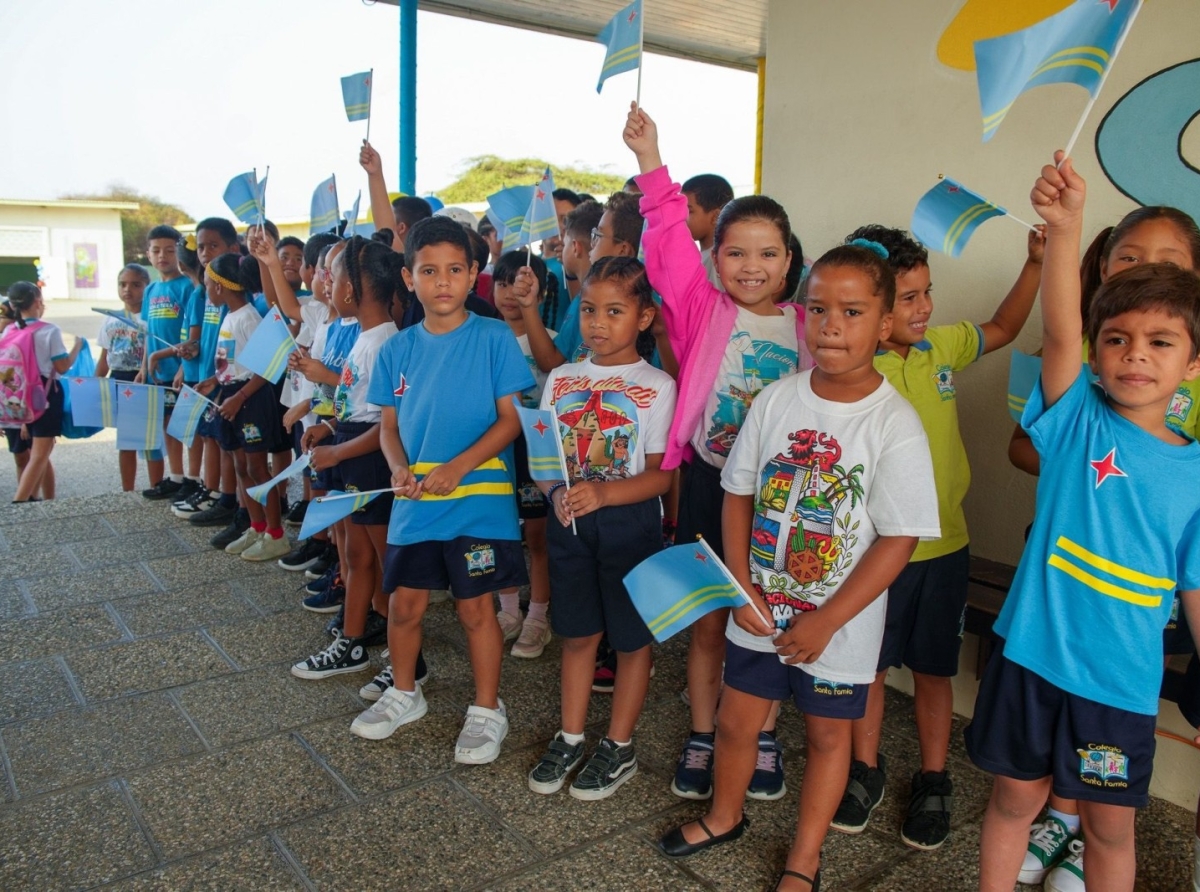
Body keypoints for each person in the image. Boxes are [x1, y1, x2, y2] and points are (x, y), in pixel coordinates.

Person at [656, 243, 939, 892]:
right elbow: (739, 492)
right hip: (758, 610)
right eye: (818, 309)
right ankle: (724, 815)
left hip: (838, 629)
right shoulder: (778, 400)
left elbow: (899, 540)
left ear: (885, 323)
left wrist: (827, 620)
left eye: (852, 311)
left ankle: (804, 857)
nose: (831, 325)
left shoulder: (894, 423)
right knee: (735, 720)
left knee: (828, 740)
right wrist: (741, 585)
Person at [966, 152, 1200, 892]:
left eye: (1161, 343)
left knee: (1108, 829)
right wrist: (1066, 227)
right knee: (1013, 803)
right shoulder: (1074, 424)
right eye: (1119, 341)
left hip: (1119, 688)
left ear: (1192, 363)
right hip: (1031, 662)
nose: (1137, 356)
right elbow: (1061, 329)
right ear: (1096, 356)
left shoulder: (1196, 474)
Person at [828, 223, 1043, 851]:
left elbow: (1001, 328)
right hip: (874, 556)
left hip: (946, 547)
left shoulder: (937, 349)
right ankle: (864, 771)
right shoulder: (857, 374)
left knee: (932, 670)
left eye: (928, 292)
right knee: (867, 666)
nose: (925, 309)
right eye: (909, 298)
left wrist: (1034, 264)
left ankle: (933, 777)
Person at [623, 102, 813, 802]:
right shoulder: (705, 310)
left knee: (770, 617)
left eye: (768, 253)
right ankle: (706, 732)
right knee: (711, 618)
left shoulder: (806, 325)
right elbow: (667, 245)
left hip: (783, 499)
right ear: (714, 258)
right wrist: (652, 164)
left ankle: (758, 733)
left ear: (790, 261)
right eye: (735, 251)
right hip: (710, 480)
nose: (751, 266)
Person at [350, 216, 533, 767]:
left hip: (479, 498)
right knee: (405, 605)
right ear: (409, 278)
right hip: (417, 501)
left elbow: (511, 421)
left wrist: (458, 466)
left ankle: (486, 708)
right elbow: (388, 425)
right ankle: (404, 692)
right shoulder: (397, 350)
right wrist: (398, 467)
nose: (443, 281)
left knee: (476, 609)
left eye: (455, 270)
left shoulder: (495, 337)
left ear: (473, 274)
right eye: (429, 271)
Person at [525, 255, 676, 801]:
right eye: (589, 309)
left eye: (615, 311)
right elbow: (545, 460)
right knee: (578, 633)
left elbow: (661, 477)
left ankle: (619, 745)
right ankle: (569, 737)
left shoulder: (656, 385)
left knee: (632, 641)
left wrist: (606, 493)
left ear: (643, 317)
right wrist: (555, 493)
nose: (597, 322)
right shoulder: (562, 379)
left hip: (629, 525)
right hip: (568, 522)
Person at [292, 236, 401, 680]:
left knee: (387, 565)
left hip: (370, 461)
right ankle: (352, 643)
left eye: (333, 278)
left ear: (352, 290)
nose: (327, 286)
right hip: (349, 450)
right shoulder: (363, 337)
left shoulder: (386, 345)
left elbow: (388, 427)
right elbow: (358, 405)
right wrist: (329, 427)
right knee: (356, 556)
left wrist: (338, 447)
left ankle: (406, 659)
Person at [202, 253, 290, 562]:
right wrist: (214, 381)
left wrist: (239, 397)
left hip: (250, 397)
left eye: (207, 284)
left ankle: (276, 533)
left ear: (219, 287)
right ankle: (256, 525)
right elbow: (235, 362)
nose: (206, 290)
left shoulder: (250, 317)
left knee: (255, 466)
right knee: (240, 464)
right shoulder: (229, 316)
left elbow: (266, 367)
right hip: (230, 394)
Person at [492, 250, 555, 659]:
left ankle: (538, 616)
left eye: (522, 283)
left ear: (541, 290)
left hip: (537, 443)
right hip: (496, 443)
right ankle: (508, 610)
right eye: (503, 283)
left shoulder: (546, 337)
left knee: (537, 537)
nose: (511, 293)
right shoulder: (483, 335)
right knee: (499, 530)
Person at [1, 282, 83, 502]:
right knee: (39, 455)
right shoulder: (49, 330)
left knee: (34, 456)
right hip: (45, 396)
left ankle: (31, 499)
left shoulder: (10, 330)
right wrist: (77, 346)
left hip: (16, 396)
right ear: (38, 302)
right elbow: (62, 367)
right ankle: (19, 501)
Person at [96, 263, 165, 492]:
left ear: (147, 287)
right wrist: (97, 384)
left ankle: (157, 486)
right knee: (125, 440)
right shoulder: (110, 320)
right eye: (123, 284)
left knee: (149, 440)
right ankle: (128, 490)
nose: (128, 290)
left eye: (136, 285)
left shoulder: (150, 319)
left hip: (144, 381)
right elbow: (104, 357)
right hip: (119, 380)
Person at [139, 224, 194, 500]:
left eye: (170, 251)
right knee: (167, 423)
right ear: (148, 255)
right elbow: (148, 332)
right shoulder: (150, 291)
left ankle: (195, 479)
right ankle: (175, 476)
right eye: (156, 250)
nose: (163, 256)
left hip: (181, 368)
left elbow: (192, 331)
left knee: (186, 425)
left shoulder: (187, 286)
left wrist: (184, 365)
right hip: (157, 372)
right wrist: (142, 368)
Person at [681, 173, 734, 289]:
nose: (680, 217)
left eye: (689, 211)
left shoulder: (718, 263)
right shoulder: (701, 258)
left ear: (716, 217)